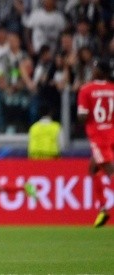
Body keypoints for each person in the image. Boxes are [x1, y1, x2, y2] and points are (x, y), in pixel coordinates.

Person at [77, 60, 114, 228]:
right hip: (112, 133)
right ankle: (103, 209)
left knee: (109, 170)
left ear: (100, 71)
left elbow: (82, 117)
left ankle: (104, 209)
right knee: (93, 169)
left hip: (99, 137)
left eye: (94, 68)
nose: (92, 70)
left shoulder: (86, 89)